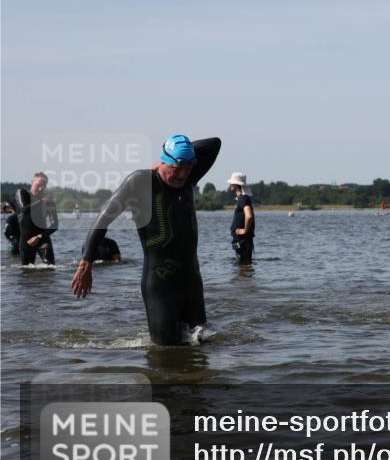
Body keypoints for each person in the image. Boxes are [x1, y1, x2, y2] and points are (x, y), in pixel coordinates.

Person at [71, 134, 221, 345]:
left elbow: (214, 144)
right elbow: (103, 218)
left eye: (188, 168)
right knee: (165, 351)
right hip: (161, 285)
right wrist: (86, 262)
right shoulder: (141, 182)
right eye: (176, 168)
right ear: (163, 161)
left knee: (202, 346)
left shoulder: (188, 178)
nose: (182, 174)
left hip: (192, 282)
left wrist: (183, 152)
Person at [14, 172, 59, 265]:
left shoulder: (48, 201)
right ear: (32, 182)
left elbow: (54, 225)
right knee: (26, 272)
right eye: (38, 184)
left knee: (50, 268)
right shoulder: (21, 193)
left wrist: (39, 236)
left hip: (42, 238)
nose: (41, 188)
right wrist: (42, 201)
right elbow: (24, 209)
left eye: (44, 185)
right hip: (26, 240)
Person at [228, 172, 255, 265]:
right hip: (240, 241)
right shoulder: (241, 199)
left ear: (236, 185)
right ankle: (244, 279)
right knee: (242, 266)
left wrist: (245, 230)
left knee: (244, 265)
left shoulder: (243, 199)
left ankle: (244, 279)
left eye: (231, 182)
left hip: (243, 241)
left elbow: (249, 215)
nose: (230, 184)